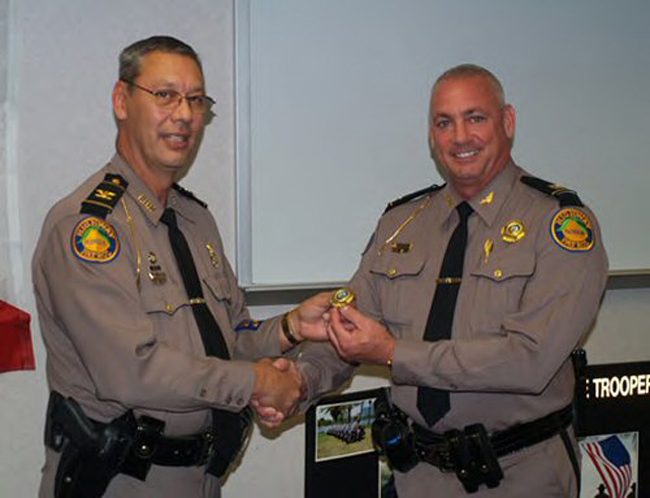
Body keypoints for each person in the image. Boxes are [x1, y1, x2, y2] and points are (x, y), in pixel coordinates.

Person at [286, 64, 609, 497]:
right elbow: (351, 326)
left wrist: (396, 353)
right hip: (417, 477)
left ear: (507, 122)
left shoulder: (559, 224)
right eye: (444, 122)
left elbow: (530, 360)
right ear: (431, 135)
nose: (460, 137)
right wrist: (299, 380)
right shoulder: (401, 223)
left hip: (520, 475)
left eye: (475, 117)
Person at [32, 35, 329, 498]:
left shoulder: (195, 221)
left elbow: (230, 338)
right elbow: (132, 373)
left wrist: (291, 327)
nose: (186, 115)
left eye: (195, 100)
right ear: (121, 100)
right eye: (166, 95)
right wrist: (257, 382)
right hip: (118, 481)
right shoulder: (88, 228)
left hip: (202, 477)